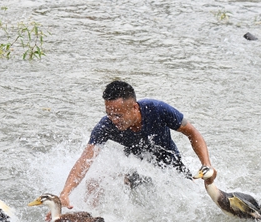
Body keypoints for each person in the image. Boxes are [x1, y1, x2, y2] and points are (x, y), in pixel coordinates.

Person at [58, 80, 213, 209]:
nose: (113, 120)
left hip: (169, 165)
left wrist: (206, 165)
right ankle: (93, 219)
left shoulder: (157, 110)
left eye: (118, 115)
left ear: (134, 107)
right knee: (95, 183)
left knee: (191, 198)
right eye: (109, 114)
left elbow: (192, 133)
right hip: (137, 166)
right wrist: (65, 193)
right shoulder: (106, 127)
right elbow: (85, 160)